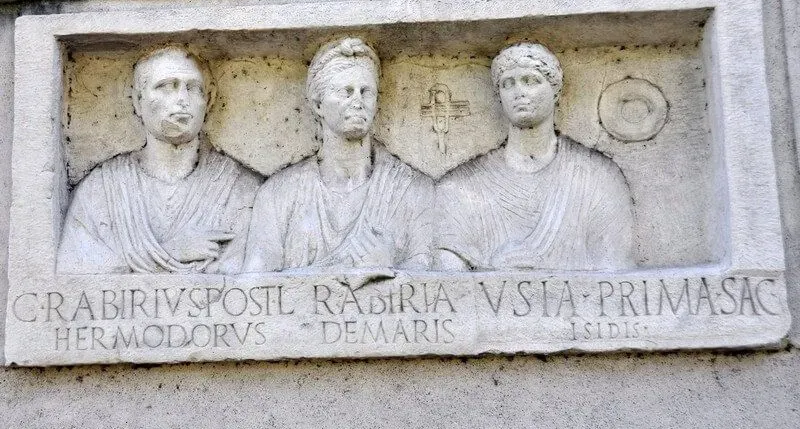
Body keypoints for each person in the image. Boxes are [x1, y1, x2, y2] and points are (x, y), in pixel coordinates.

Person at [57, 46, 261, 274]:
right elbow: (74, 278)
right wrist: (169, 253)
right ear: (138, 101)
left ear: (209, 100)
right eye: (165, 86)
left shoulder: (242, 190)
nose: (182, 99)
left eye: (193, 88)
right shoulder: (101, 192)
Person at [436, 42, 635, 271]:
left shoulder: (597, 176)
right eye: (507, 84)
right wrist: (492, 272)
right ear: (499, 95)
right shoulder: (462, 186)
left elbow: (616, 270)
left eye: (531, 81)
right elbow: (446, 276)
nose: (518, 92)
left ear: (555, 90)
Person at [244, 38, 433, 272]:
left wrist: (391, 267)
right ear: (318, 104)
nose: (358, 102)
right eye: (345, 92)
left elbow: (434, 280)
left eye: (366, 92)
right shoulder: (278, 195)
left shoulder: (410, 190)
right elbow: (256, 288)